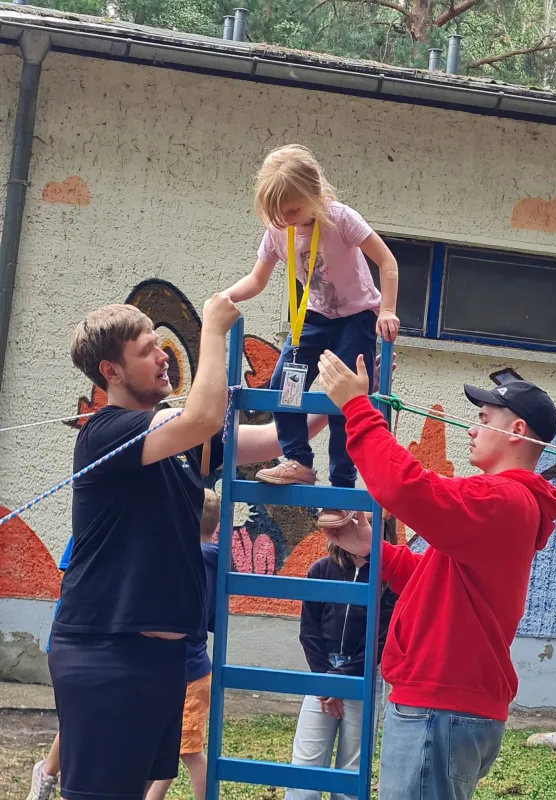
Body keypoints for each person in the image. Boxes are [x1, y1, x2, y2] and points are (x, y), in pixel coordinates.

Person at [48, 295, 338, 800]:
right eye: (146, 350)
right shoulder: (105, 433)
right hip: (106, 652)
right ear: (111, 371)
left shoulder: (178, 443)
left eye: (159, 344)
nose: (162, 355)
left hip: (162, 659)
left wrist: (337, 401)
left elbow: (274, 438)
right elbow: (201, 417)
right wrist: (214, 330)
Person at [316, 350, 556, 800]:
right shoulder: (504, 503)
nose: (471, 428)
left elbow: (405, 488)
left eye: (483, 418)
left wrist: (356, 408)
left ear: (516, 430)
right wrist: (372, 548)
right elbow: (437, 580)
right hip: (444, 704)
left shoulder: (501, 499)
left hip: (440, 704)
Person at [223, 144, 399, 529]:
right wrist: (226, 296)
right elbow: (257, 279)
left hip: (356, 317)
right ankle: (298, 460)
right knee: (284, 384)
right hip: (312, 316)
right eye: (276, 213)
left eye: (291, 210)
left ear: (314, 195)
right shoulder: (278, 231)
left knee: (344, 399)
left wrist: (386, 310)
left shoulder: (340, 219)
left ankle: (341, 489)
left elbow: (387, 261)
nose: (284, 219)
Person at [286, 515, 397, 800]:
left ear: (383, 530)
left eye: (370, 524)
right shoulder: (321, 570)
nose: (359, 529)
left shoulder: (388, 581)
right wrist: (327, 682)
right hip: (322, 673)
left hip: (363, 676)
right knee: (305, 767)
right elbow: (309, 631)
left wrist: (340, 680)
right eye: (354, 522)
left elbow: (379, 641)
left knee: (351, 771)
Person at [146, 489, 220, 800]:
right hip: (190, 665)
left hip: (187, 668)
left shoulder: (186, 560)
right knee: (172, 745)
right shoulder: (217, 564)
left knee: (189, 750)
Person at [26, 538, 73, 800]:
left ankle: (47, 772)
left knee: (81, 717)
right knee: (78, 716)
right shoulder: (90, 525)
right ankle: (48, 774)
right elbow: (68, 579)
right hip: (75, 638)